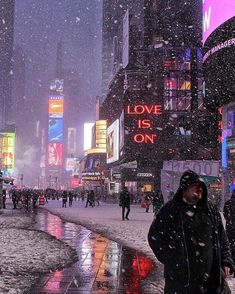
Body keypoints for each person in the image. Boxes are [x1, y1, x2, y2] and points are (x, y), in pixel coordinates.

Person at [148, 170, 234, 294]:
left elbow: (221, 237)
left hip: (210, 281)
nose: (200, 190)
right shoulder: (171, 210)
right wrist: (172, 259)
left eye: (201, 187)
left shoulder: (210, 210)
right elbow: (154, 237)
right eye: (196, 186)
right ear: (185, 188)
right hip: (180, 282)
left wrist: (226, 259)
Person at [224, 189, 235, 275]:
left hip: (230, 229)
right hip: (232, 228)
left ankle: (231, 267)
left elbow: (225, 214)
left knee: (230, 248)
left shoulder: (228, 203)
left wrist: (229, 220)